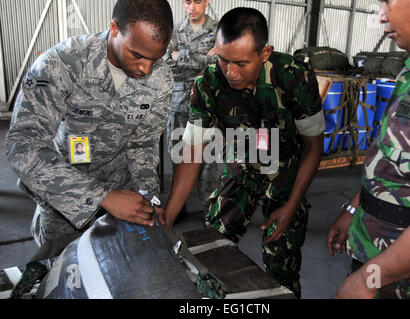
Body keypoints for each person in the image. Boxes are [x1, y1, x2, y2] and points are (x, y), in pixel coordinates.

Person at [159, 7, 325, 298]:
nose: (231, 72)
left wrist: (291, 205)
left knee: (282, 263)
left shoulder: (293, 77)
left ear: (264, 53)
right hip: (241, 165)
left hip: (286, 172)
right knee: (211, 249)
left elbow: (313, 146)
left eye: (241, 63)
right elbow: (192, 154)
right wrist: (168, 220)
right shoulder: (207, 83)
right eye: (223, 59)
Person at [4, 0, 174, 247]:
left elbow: (143, 145)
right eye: (137, 55)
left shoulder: (161, 78)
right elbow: (23, 147)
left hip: (125, 204)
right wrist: (101, 196)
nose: (146, 69)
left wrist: (147, 198)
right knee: (63, 277)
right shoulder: (62, 64)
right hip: (65, 203)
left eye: (156, 58)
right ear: (114, 28)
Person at [327, 0, 410, 299]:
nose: (381, 15)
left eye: (387, 1)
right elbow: (389, 160)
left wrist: (367, 280)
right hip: (378, 255)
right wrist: (354, 208)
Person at [164, 0, 218, 218]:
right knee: (178, 155)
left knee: (209, 160)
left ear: (207, 2)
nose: (192, 7)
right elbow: (166, 62)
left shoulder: (218, 29)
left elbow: (218, 63)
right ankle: (177, 209)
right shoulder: (175, 30)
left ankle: (210, 210)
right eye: (188, 2)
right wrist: (203, 59)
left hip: (207, 104)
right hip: (179, 103)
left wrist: (182, 55)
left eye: (197, 1)